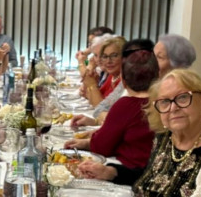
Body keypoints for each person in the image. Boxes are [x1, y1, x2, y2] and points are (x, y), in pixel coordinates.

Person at [78, 69, 201, 197]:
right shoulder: (164, 138)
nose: (173, 107)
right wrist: (111, 172)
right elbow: (149, 177)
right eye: (165, 102)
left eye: (183, 98)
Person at [65, 50, 159, 184]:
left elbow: (102, 146)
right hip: (153, 172)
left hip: (129, 173)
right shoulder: (164, 103)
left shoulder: (126, 105)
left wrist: (89, 143)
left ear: (124, 82)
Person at [81, 36, 126, 109]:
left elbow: (102, 110)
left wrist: (92, 85)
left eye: (114, 56)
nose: (109, 61)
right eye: (105, 56)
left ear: (124, 56)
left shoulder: (125, 80)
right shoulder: (112, 76)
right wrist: (91, 84)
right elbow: (93, 101)